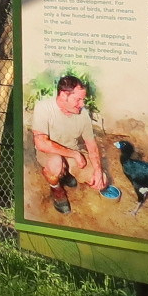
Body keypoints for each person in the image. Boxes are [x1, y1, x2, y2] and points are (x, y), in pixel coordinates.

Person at [32, 74, 106, 215]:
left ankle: (65, 174)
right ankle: (57, 189)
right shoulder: (44, 108)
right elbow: (41, 143)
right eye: (78, 99)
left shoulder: (82, 114)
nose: (82, 104)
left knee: (101, 180)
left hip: (72, 152)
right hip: (50, 153)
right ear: (63, 95)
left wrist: (97, 171)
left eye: (83, 100)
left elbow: (91, 145)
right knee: (56, 163)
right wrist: (75, 154)